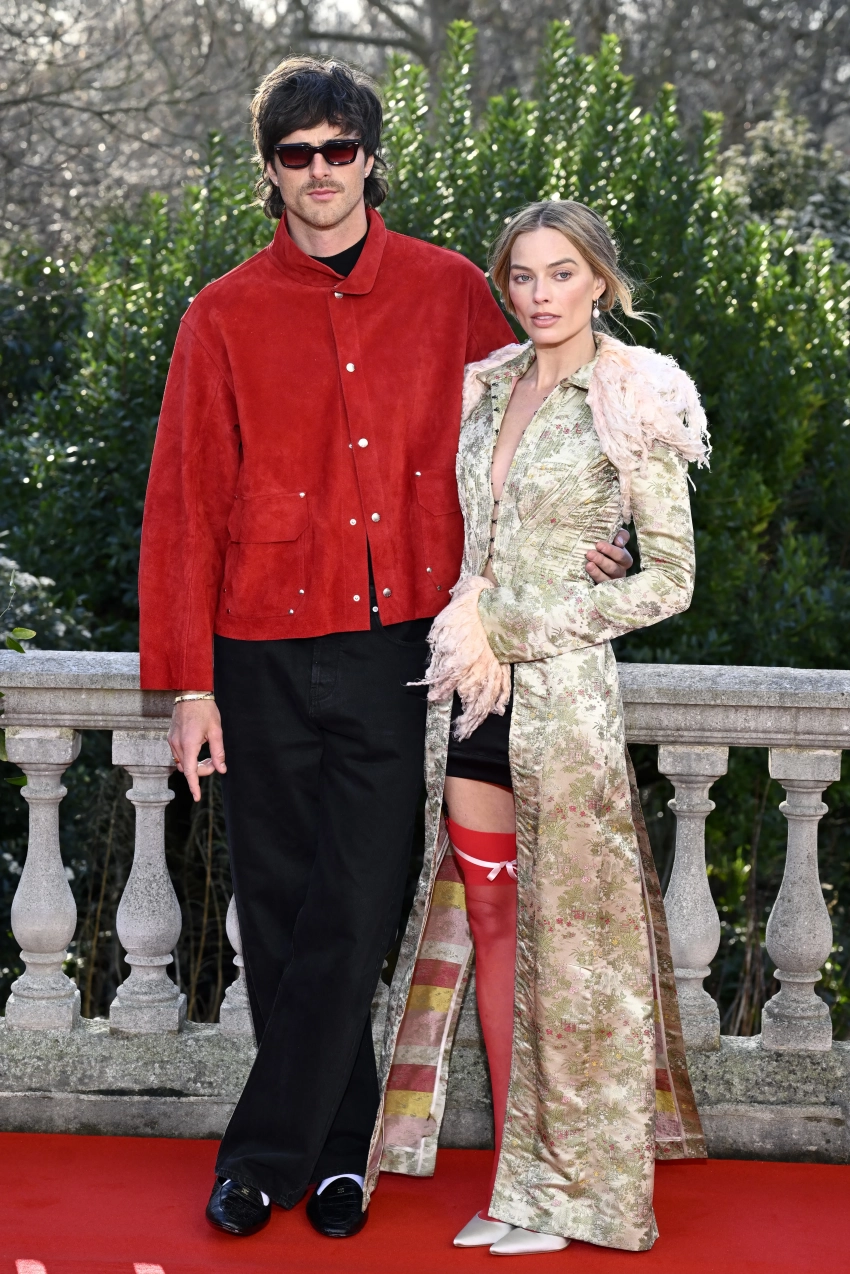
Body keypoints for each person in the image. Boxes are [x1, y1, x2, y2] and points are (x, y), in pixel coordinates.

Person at [138, 62, 633, 1241]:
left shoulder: (450, 288)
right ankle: (338, 1159)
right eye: (296, 153)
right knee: (279, 901)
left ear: (369, 158)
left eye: (339, 149)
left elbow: (543, 411)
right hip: (256, 647)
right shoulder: (220, 314)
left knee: (360, 899)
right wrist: (189, 683)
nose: (320, 171)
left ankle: (259, 1154)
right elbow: (184, 502)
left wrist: (596, 527)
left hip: (403, 645)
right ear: (269, 169)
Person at [371, 200, 709, 1256]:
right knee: (494, 926)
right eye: (521, 275)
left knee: (574, 953)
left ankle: (580, 1193)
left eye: (561, 273)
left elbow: (670, 578)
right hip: (473, 704)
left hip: (562, 704)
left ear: (598, 281)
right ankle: (518, 1187)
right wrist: (481, 624)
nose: (539, 294)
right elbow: (478, 535)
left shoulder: (634, 392)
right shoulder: (486, 387)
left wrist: (523, 621)